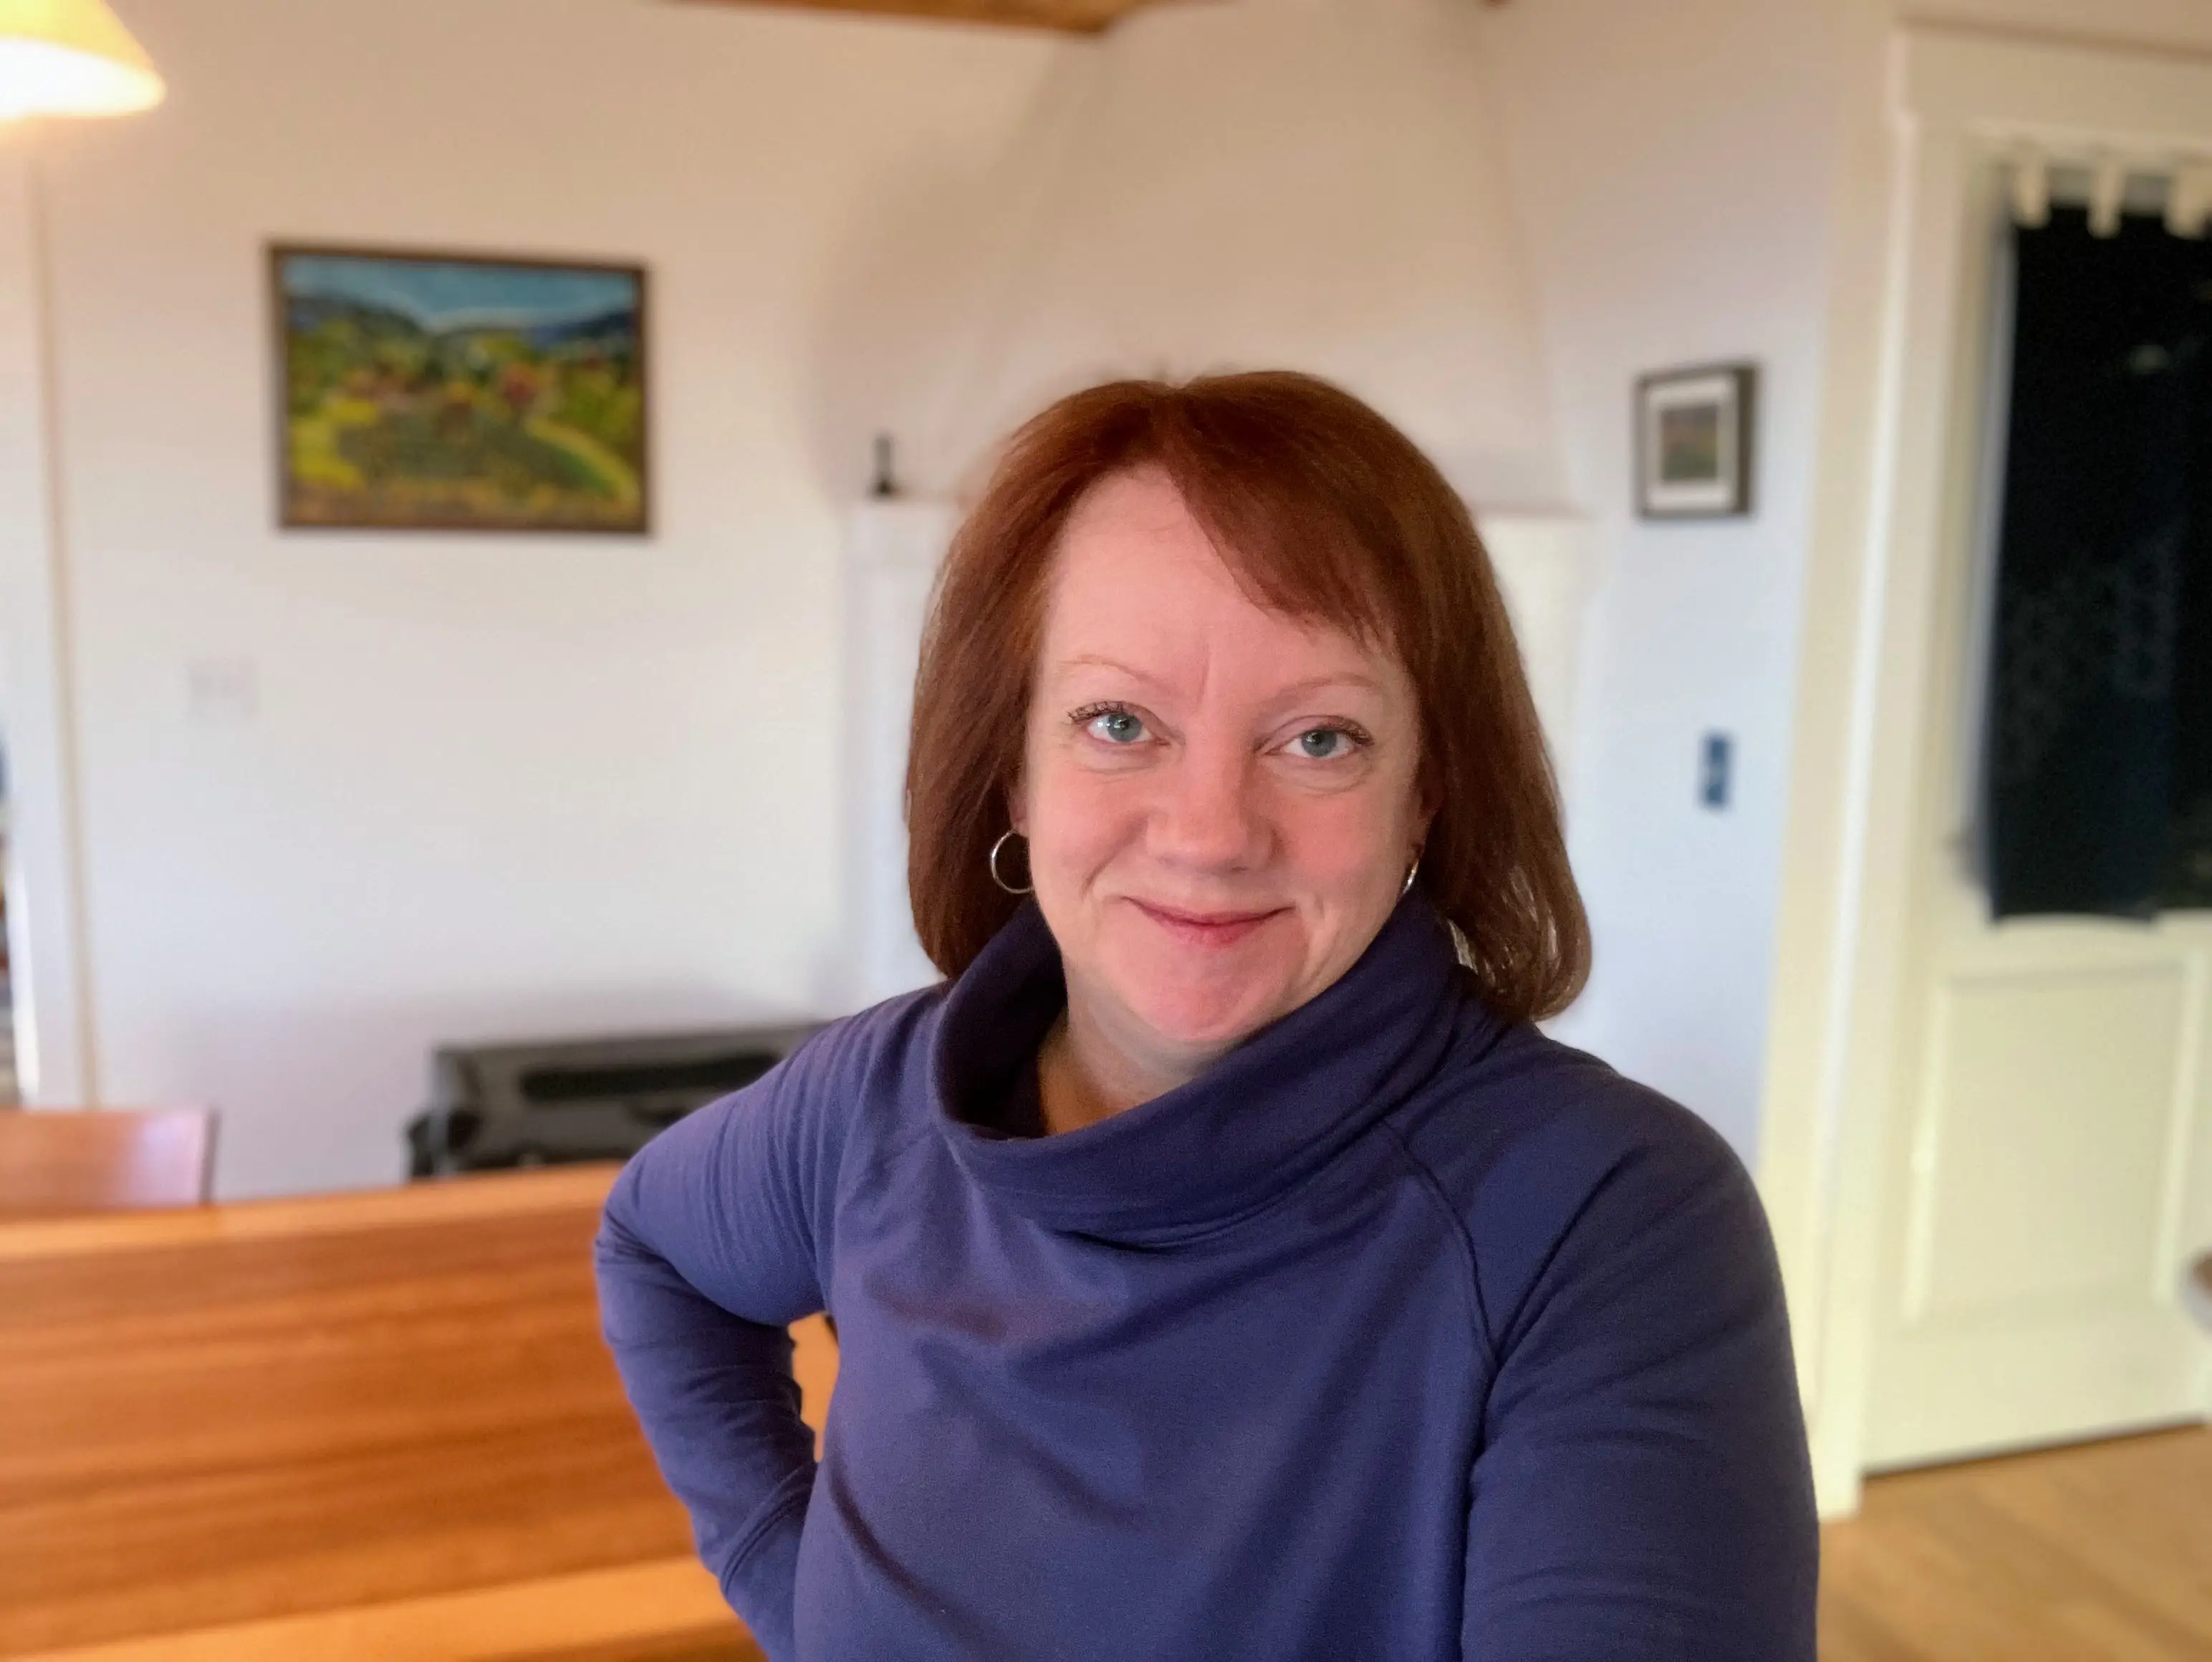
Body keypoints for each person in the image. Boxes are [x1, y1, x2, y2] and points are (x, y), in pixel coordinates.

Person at [595, 372, 1819, 1661]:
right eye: (1119, 722)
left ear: (1428, 791)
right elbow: (656, 1252)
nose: (1210, 834)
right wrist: (794, 1591)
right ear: (1012, 767)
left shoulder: (1605, 1222)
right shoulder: (869, 1105)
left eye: (1320, 739)